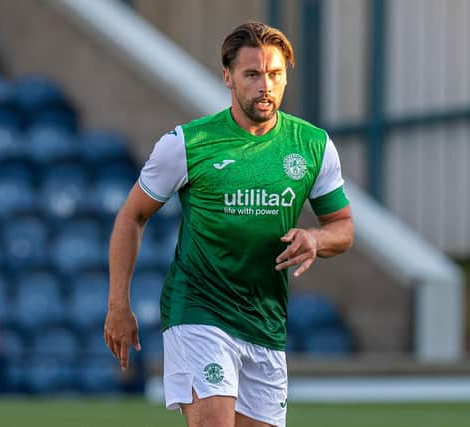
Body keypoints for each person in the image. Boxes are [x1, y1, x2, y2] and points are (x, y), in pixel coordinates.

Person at [104, 22, 353, 427]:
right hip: (198, 309)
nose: (265, 86)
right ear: (228, 77)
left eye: (275, 74)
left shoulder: (314, 146)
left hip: (265, 321)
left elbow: (343, 227)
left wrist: (316, 237)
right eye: (252, 74)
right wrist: (118, 303)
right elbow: (132, 215)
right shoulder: (188, 144)